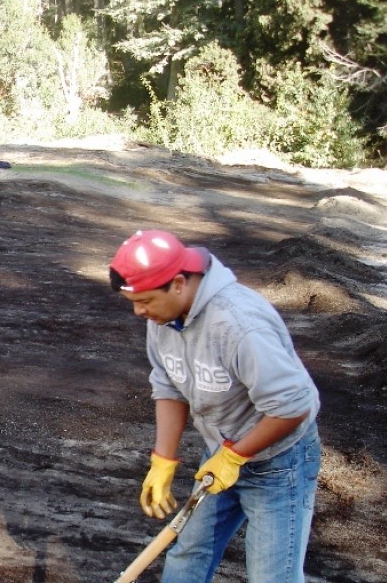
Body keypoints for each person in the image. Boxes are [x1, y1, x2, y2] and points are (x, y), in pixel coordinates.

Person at [108, 229, 321, 583]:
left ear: (177, 283)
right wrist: (163, 460)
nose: (138, 310)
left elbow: (293, 405)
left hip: (278, 463)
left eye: (144, 300)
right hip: (221, 452)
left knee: (273, 576)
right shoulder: (162, 318)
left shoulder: (239, 325)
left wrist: (236, 456)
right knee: (189, 552)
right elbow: (168, 385)